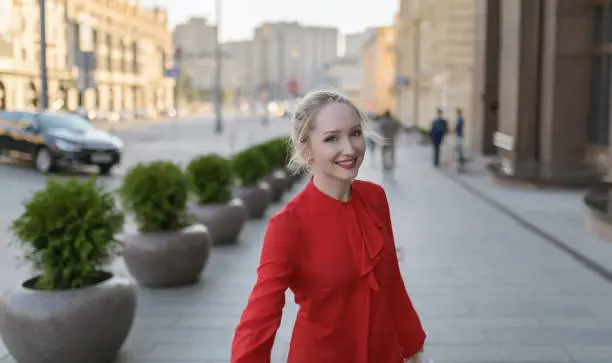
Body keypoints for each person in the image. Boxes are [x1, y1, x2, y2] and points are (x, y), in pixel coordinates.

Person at [231, 89, 426, 363]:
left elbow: (392, 283)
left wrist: (412, 346)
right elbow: (261, 315)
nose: (349, 149)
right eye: (332, 138)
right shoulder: (287, 224)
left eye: (355, 133)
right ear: (306, 149)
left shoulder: (375, 198)